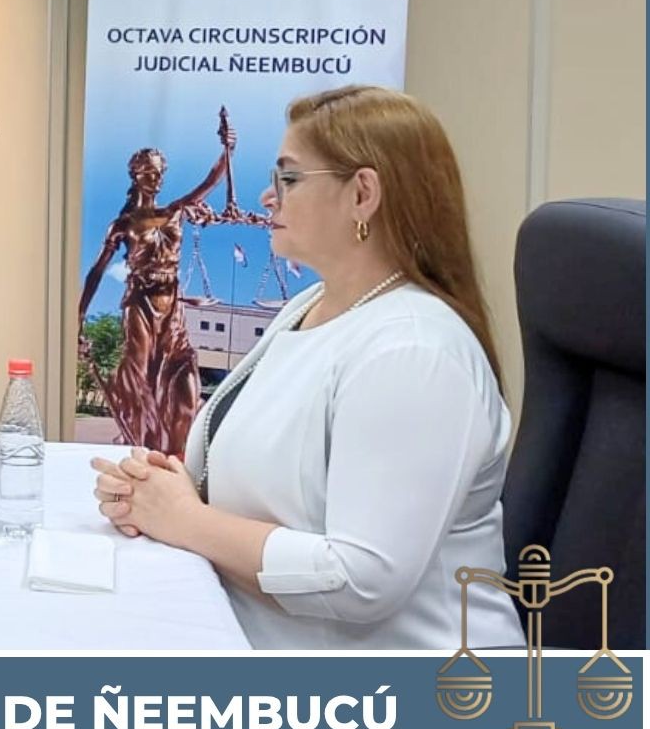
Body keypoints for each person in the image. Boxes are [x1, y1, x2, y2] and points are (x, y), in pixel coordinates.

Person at [91, 86, 525, 649]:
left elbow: (360, 581)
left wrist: (184, 521)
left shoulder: (415, 353)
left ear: (362, 194)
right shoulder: (311, 306)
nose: (267, 198)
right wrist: (157, 492)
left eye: (289, 179)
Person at [77, 111, 237, 455]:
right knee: (140, 376)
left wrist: (227, 150)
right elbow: (96, 272)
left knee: (183, 381)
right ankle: (140, 445)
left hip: (172, 306)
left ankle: (175, 455)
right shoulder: (124, 223)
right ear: (135, 176)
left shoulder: (175, 212)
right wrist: (78, 316)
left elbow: (210, 182)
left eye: (160, 172)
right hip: (140, 304)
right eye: (149, 172)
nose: (156, 178)